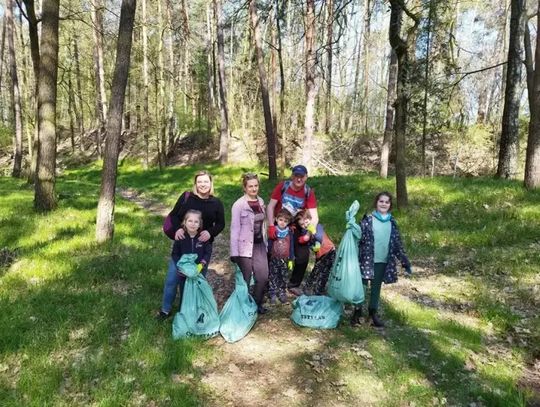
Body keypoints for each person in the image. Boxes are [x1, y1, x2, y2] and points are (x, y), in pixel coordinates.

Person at [351, 192, 412, 327]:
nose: (384, 204)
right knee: (361, 286)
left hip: (382, 261)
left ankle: (373, 313)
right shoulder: (368, 220)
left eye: (387, 202)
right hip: (366, 260)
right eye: (381, 201)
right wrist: (352, 227)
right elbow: (358, 237)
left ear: (390, 205)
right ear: (376, 203)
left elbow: (397, 245)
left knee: (376, 288)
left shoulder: (392, 223)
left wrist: (404, 261)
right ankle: (357, 311)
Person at [266, 165, 318, 294]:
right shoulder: (283, 186)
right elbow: (270, 206)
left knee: (303, 256)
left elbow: (315, 217)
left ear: (306, 177)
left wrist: (309, 233)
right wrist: (271, 225)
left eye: (301, 177)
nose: (298, 179)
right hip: (280, 222)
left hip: (295, 225)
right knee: (271, 252)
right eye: (296, 176)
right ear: (292, 176)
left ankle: (294, 284)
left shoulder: (308, 192)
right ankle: (268, 281)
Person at [157, 210, 212, 321]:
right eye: (190, 221)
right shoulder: (181, 237)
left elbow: (207, 252)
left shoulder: (203, 238)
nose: (193, 224)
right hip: (183, 271)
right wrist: (180, 267)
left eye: (196, 221)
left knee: (196, 290)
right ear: (184, 223)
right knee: (184, 289)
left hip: (197, 270)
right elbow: (175, 254)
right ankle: (182, 312)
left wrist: (201, 265)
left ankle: (194, 311)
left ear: (200, 224)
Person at [230, 173, 270, 314]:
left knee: (263, 276)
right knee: (246, 279)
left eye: (256, 186)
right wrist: (234, 253)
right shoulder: (238, 205)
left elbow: (264, 224)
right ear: (245, 188)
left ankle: (257, 303)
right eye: (250, 186)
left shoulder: (260, 201)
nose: (253, 189)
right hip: (244, 247)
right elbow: (234, 229)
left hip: (259, 245)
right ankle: (243, 306)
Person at [168, 170, 225, 244]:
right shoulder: (186, 197)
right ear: (195, 184)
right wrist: (178, 229)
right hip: (183, 240)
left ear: (211, 184)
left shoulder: (216, 203)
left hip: (204, 243)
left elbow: (220, 224)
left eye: (206, 182)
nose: (203, 184)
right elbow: (173, 215)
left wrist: (210, 232)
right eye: (199, 182)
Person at [293, 209, 336, 296]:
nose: (305, 225)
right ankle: (308, 287)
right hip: (319, 254)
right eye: (302, 224)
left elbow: (319, 237)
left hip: (329, 251)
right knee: (316, 270)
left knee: (324, 272)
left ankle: (318, 291)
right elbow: (308, 242)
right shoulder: (304, 231)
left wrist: (312, 232)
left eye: (306, 221)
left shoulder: (317, 226)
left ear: (310, 219)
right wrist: (305, 240)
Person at [267, 208, 294, 305]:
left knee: (283, 276)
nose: (282, 223)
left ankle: (282, 293)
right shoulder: (273, 230)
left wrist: (291, 259)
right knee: (273, 276)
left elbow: (291, 246)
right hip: (274, 258)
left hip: (285, 259)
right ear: (276, 219)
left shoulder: (289, 232)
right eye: (281, 220)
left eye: (285, 221)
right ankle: (272, 294)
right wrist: (268, 255)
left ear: (288, 222)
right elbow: (269, 244)